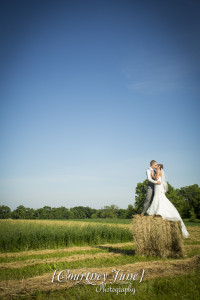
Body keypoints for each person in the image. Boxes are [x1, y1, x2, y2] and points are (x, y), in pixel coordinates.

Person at [146, 164, 189, 238]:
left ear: (159, 167)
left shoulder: (158, 171)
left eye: (157, 165)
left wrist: (152, 175)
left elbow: (156, 178)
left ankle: (159, 211)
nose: (156, 166)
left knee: (158, 197)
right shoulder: (159, 171)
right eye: (155, 165)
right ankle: (157, 210)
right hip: (158, 185)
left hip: (158, 186)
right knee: (158, 197)